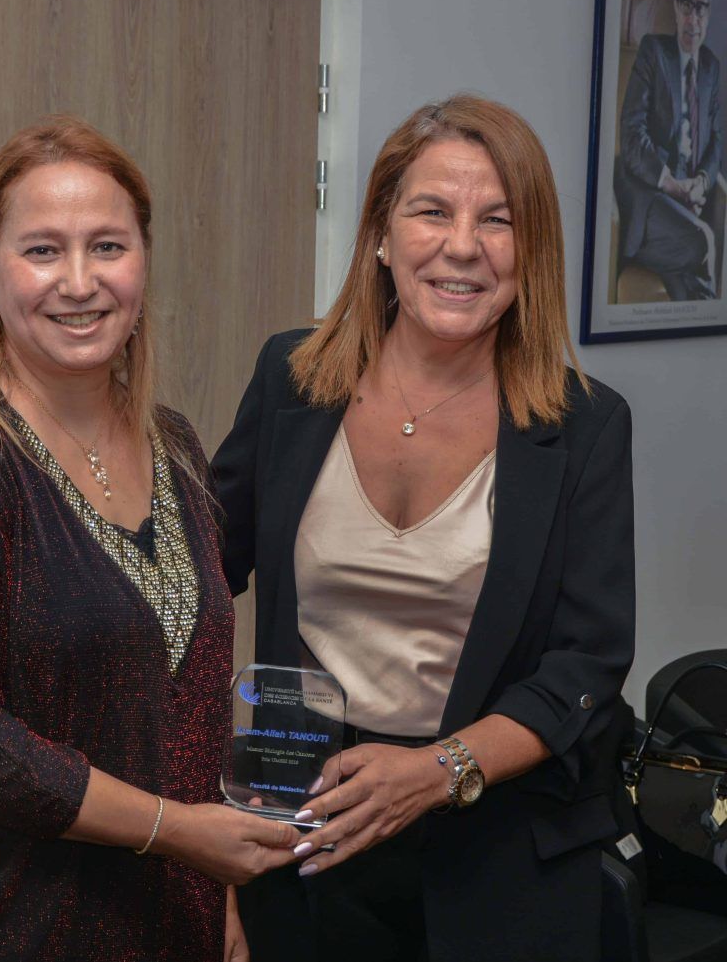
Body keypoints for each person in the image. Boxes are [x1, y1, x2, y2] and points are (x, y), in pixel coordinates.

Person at [0, 117, 299, 962]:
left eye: (107, 246)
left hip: (153, 922)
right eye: (43, 250)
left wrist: (213, 887)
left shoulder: (176, 447)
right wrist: (178, 831)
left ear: (143, 260)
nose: (80, 282)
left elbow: (187, 698)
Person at [213, 95, 635, 961]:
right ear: (380, 232)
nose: (462, 246)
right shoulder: (293, 379)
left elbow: (587, 661)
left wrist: (440, 771)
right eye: (432, 211)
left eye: (497, 220)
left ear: (531, 250)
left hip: (501, 858)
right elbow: (197, 578)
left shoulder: (585, 425)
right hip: (304, 840)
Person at [615, 0, 721, 301]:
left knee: (687, 276)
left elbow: (716, 140)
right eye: (686, 5)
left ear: (709, 11)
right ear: (675, 7)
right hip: (653, 193)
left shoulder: (711, 68)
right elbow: (631, 135)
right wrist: (674, 186)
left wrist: (701, 182)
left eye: (700, 7)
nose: (693, 18)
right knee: (702, 240)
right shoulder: (653, 52)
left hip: (689, 201)